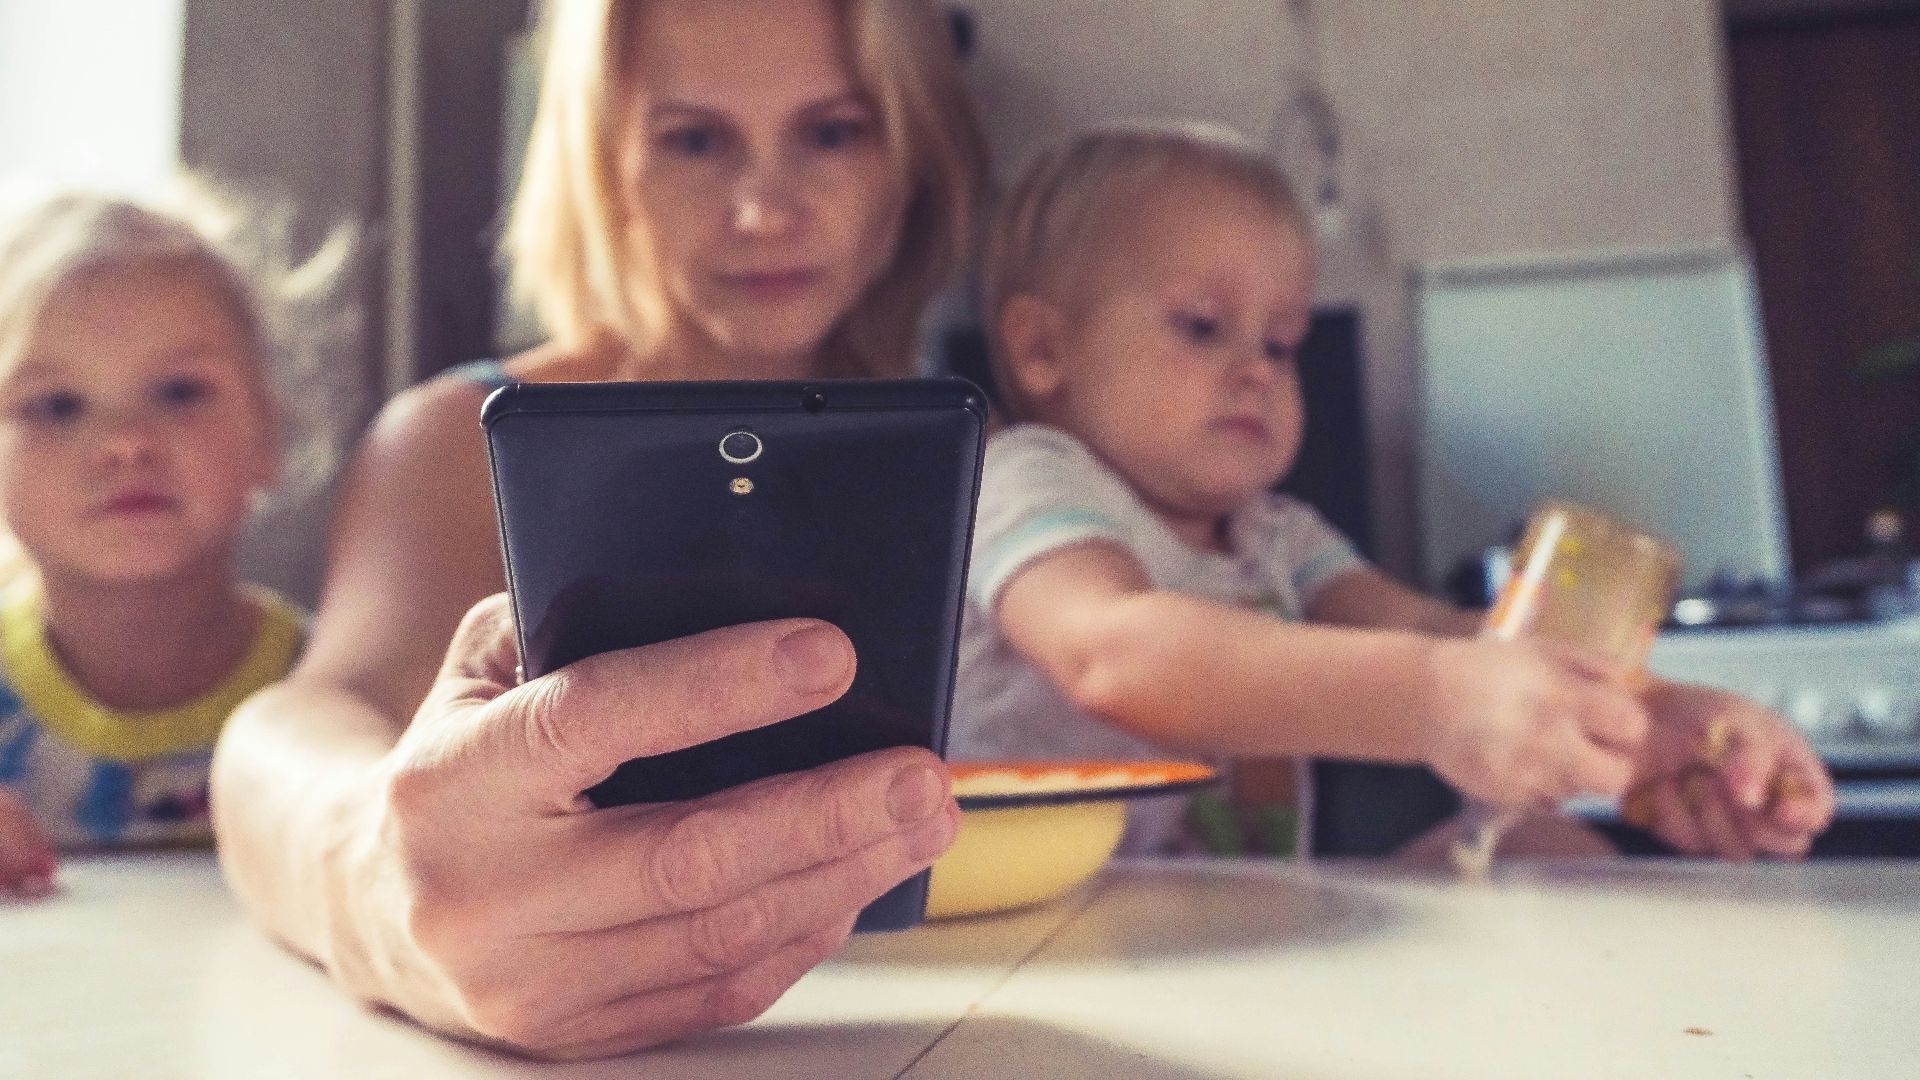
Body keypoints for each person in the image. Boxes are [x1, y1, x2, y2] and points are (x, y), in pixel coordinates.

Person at [210, 0, 987, 1061]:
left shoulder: (1001, 462)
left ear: (911, 154)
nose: (764, 208)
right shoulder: (454, 440)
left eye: (832, 130)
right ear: (602, 159)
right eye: (694, 139)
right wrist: (374, 881)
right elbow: (294, 727)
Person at [949, 123, 1835, 861]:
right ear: (1044, 351)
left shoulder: (1275, 536)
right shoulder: (1021, 476)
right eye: (1202, 327)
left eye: (1282, 342)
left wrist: (1647, 721)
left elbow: (1431, 635)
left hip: (1232, 919)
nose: (1257, 371)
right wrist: (1441, 701)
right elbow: (1114, 653)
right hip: (1041, 935)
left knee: (1547, 848)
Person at [0, 193, 306, 897]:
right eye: (55, 405)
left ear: (267, 430)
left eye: (178, 391)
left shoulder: (337, 688)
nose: (125, 443)